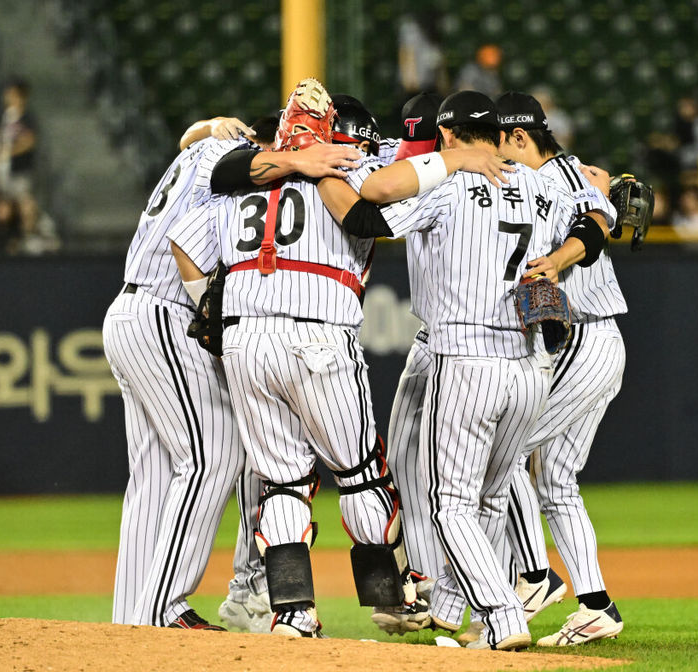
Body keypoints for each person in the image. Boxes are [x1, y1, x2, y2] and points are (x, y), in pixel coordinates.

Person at [168, 79, 431, 638]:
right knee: (359, 473)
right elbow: (399, 201)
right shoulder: (349, 171)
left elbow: (184, 242)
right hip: (317, 334)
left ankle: (293, 615)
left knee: (281, 481)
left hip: (245, 341)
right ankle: (390, 599)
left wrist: (206, 309)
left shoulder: (239, 186)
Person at [100, 113, 352, 630]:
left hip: (132, 312)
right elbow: (242, 163)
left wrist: (206, 124)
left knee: (153, 474)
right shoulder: (234, 159)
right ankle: (165, 607)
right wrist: (297, 158)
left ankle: (133, 619)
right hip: (165, 311)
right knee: (211, 456)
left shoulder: (211, 145)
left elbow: (191, 135)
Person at [353, 91, 576, 651]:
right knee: (493, 497)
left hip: (467, 358)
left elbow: (372, 202)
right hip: (529, 367)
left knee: (450, 502)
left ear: (447, 135)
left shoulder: (447, 182)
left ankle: (502, 618)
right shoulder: (539, 183)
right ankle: (461, 613)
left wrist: (432, 164)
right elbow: (594, 205)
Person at [494, 91, 628, 647]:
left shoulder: (547, 184)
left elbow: (591, 232)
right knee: (555, 479)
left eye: (500, 144)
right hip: (599, 340)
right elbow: (608, 206)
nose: (496, 155)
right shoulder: (575, 171)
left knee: (500, 456)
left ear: (521, 138)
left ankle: (526, 581)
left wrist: (555, 260)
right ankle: (596, 605)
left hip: (583, 338)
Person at [0, 79, 37, 202]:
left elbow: (29, 141)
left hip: (20, 169)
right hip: (2, 169)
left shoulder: (27, 118)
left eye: (12, 94)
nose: (8, 97)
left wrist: (8, 152)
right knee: (3, 206)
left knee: (24, 202)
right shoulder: (2, 116)